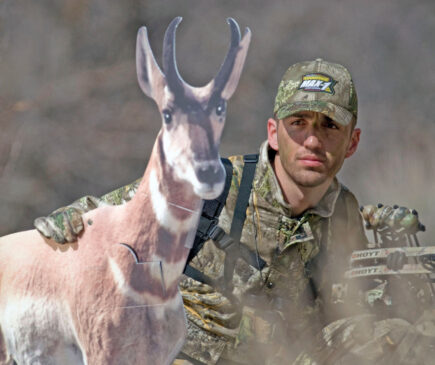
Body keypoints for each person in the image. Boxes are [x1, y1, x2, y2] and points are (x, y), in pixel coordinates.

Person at [34, 59, 433, 364]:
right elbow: (102, 215)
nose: (313, 140)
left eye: (330, 126)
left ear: (352, 142)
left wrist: (398, 291)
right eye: (299, 123)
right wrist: (69, 224)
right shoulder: (208, 187)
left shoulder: (344, 218)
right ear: (274, 133)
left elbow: (344, 322)